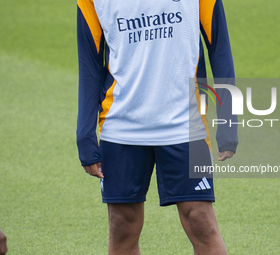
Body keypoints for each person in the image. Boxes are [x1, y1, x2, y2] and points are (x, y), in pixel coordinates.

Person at [76, 0, 238, 254]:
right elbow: (89, 67)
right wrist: (84, 135)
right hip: (120, 127)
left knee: (201, 222)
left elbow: (219, 50)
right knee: (122, 227)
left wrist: (228, 120)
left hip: (187, 125)